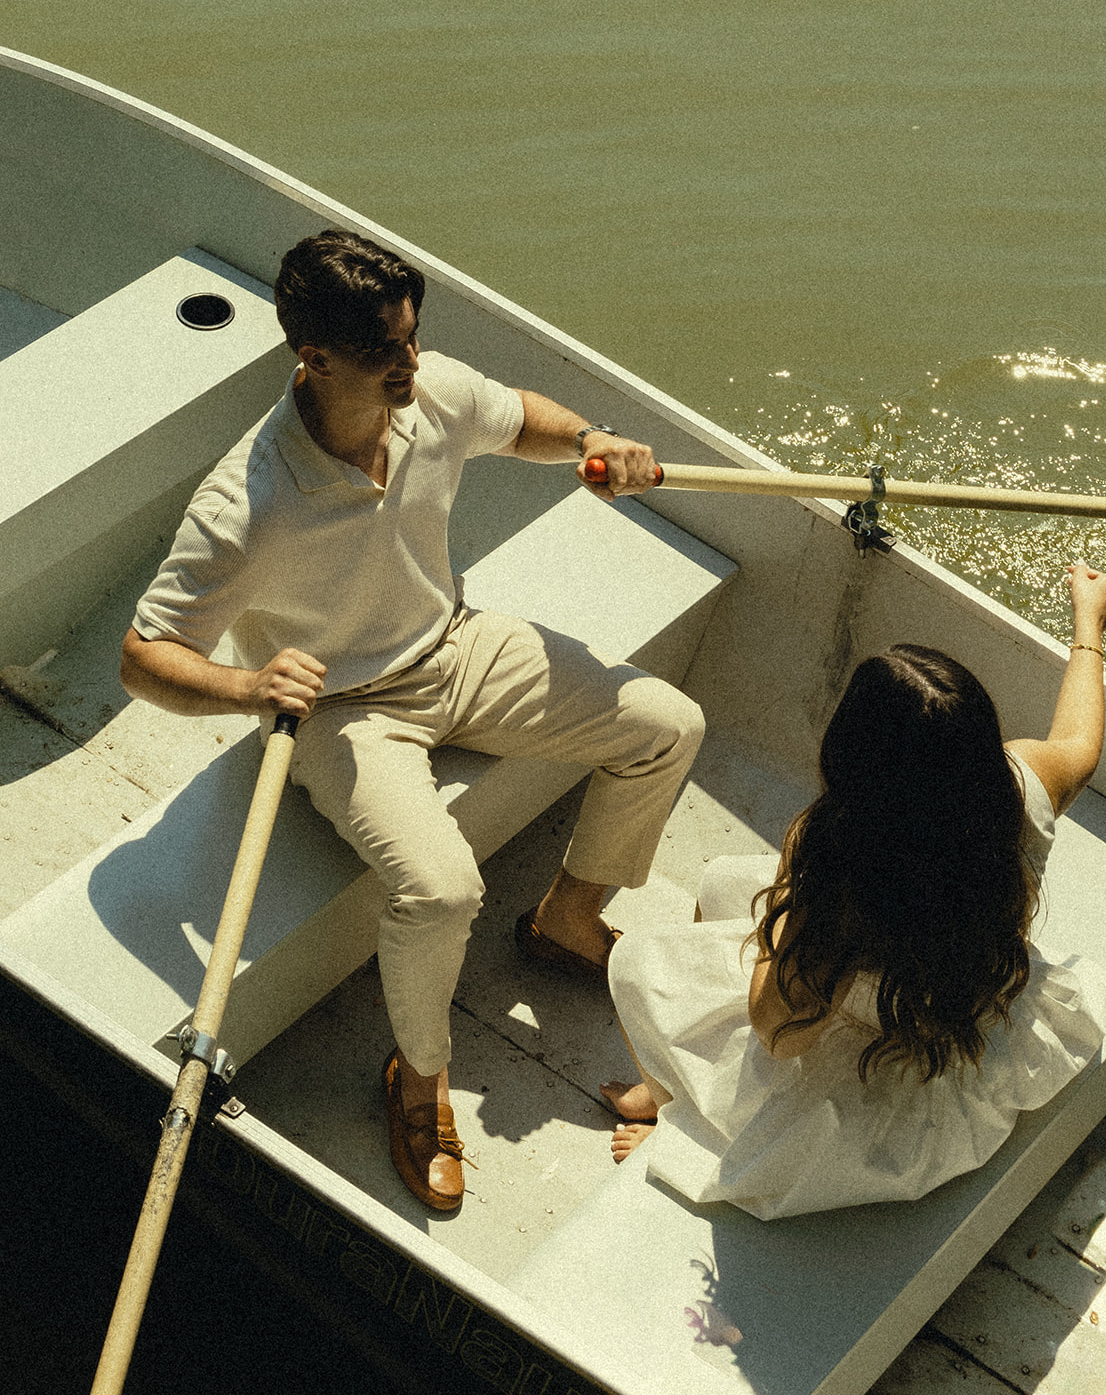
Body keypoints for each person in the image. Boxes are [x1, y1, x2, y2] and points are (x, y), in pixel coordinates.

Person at [120, 229, 705, 1213]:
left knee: (665, 723)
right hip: (346, 715)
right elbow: (145, 654)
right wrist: (248, 688)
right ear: (315, 358)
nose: (412, 362)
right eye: (388, 349)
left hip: (455, 643)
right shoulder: (248, 500)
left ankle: (566, 922)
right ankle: (419, 1081)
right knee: (438, 891)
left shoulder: (427, 392)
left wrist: (590, 443)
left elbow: (520, 420)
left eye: (413, 338)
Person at [598, 559, 1106, 1220]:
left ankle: (674, 1102)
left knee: (635, 962)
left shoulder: (834, 864)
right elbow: (1080, 741)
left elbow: (779, 1035)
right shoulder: (1021, 785)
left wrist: (788, 906)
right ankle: (664, 1087)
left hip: (875, 1078)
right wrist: (1089, 622)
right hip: (952, 1014)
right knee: (721, 880)